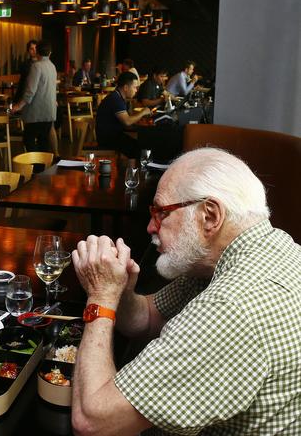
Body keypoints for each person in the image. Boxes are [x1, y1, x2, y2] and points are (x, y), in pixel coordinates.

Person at [70, 148, 301, 435]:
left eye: (161, 212)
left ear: (210, 216)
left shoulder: (231, 308)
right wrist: (122, 292)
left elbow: (93, 422)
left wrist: (101, 296)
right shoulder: (249, 251)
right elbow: (149, 318)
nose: (150, 226)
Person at [11, 40, 57, 152]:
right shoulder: (52, 66)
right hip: (49, 112)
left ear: (37, 52)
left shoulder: (36, 67)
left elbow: (30, 91)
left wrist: (19, 105)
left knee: (29, 141)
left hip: (36, 113)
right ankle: (43, 167)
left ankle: (37, 168)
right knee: (43, 143)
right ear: (50, 53)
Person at [95, 72, 152, 158]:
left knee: (140, 145)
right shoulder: (116, 99)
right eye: (135, 87)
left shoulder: (117, 96)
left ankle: (132, 168)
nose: (136, 90)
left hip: (112, 135)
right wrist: (143, 112)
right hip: (108, 139)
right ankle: (133, 170)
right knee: (138, 148)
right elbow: (127, 121)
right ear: (125, 87)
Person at [12, 39, 37, 105]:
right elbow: (22, 82)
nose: (34, 51)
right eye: (32, 49)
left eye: (36, 48)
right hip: (27, 94)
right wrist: (16, 99)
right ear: (28, 51)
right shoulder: (25, 64)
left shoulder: (43, 64)